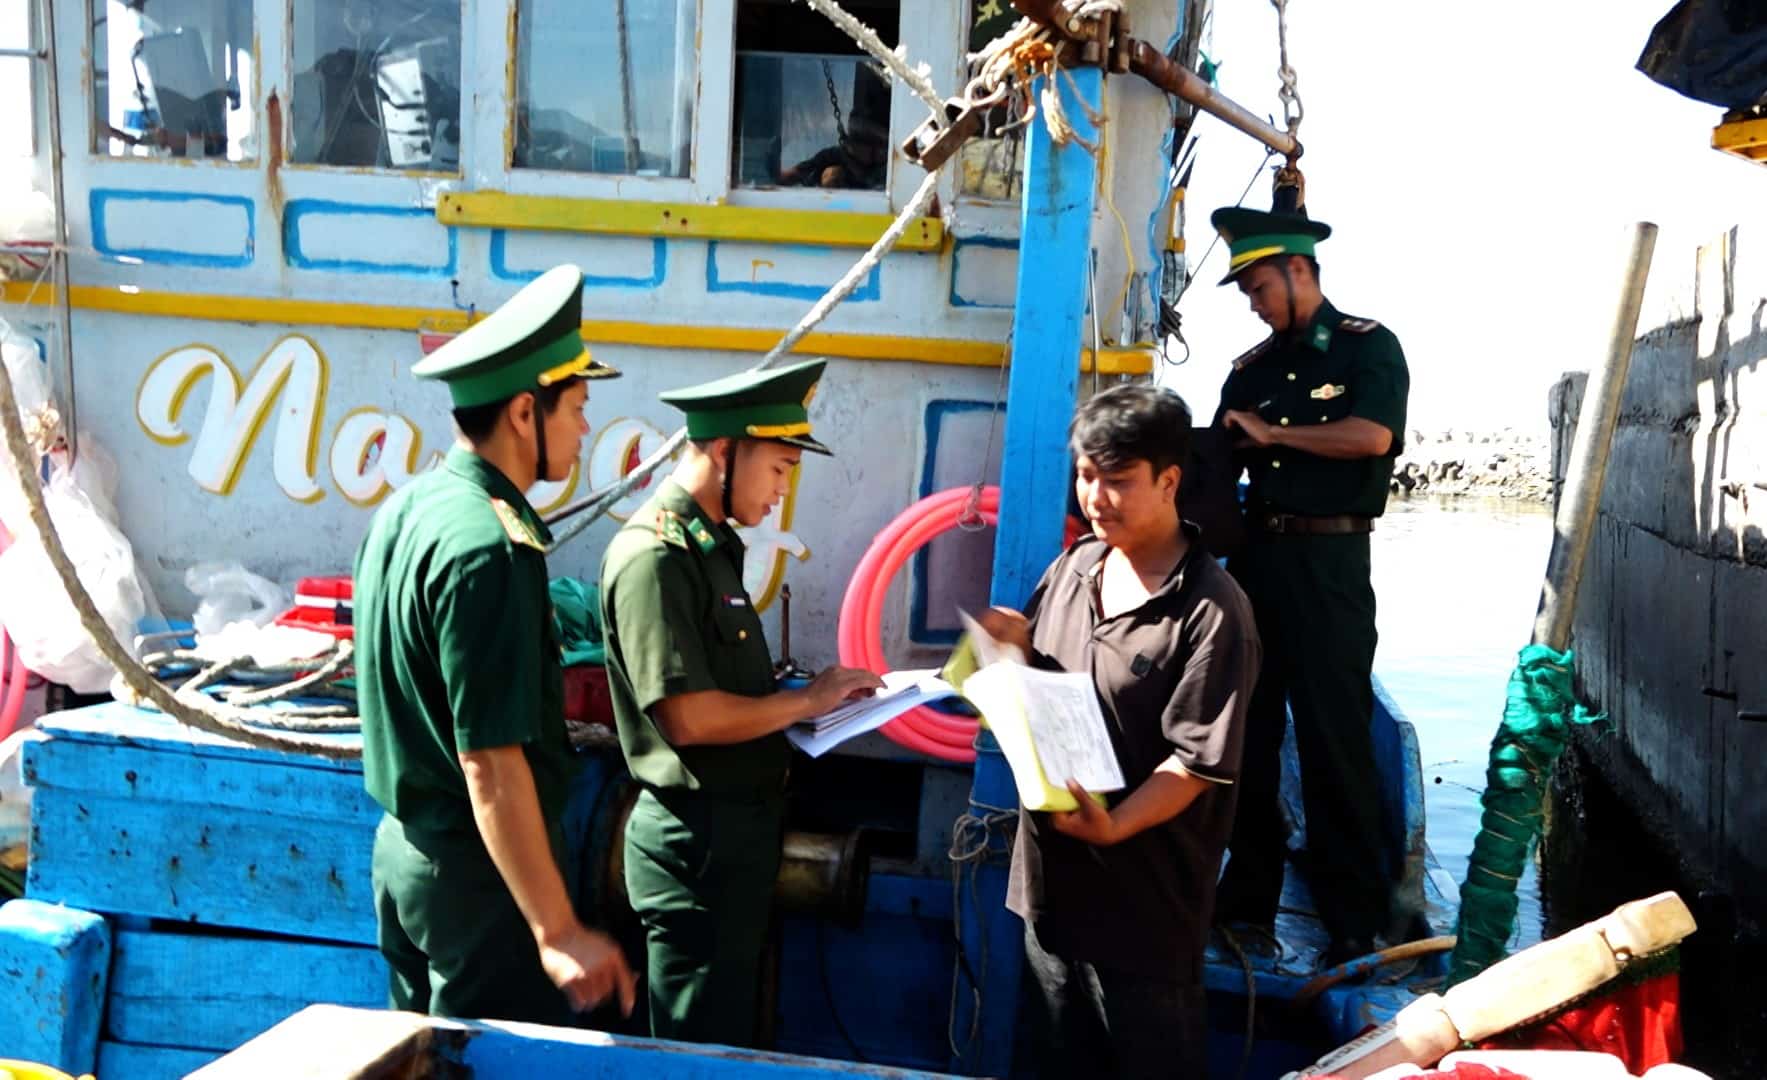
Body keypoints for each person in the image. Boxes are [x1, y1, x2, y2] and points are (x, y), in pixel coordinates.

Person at [356, 264, 637, 1025]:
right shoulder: (493, 547)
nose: (585, 429)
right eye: (576, 408)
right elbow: (490, 760)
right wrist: (558, 931)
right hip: (479, 887)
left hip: (405, 857)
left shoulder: (409, 508)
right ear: (523, 412)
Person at [977, 384, 1261, 1079]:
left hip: (1143, 911)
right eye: (1085, 476)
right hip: (1052, 893)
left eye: (1117, 480)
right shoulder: (1074, 569)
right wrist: (1000, 654)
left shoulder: (1210, 611)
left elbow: (1196, 764)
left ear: (1168, 480)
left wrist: (1115, 824)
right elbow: (1037, 687)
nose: (1095, 497)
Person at [599, 358, 884, 1047]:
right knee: (692, 1052)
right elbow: (688, 718)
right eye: (779, 468)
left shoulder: (712, 550)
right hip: (694, 849)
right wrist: (804, 701)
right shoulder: (656, 557)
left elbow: (730, 693)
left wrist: (813, 700)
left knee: (726, 1041)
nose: (783, 490)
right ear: (725, 451)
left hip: (733, 844)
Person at [1206, 206, 1414, 965]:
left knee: (1335, 738)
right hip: (1257, 564)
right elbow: (1216, 464)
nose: (1253, 302)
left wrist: (1277, 435)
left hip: (1330, 570)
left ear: (1299, 271)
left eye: (1258, 286)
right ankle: (1246, 899)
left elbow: (1371, 437)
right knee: (1248, 737)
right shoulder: (1248, 369)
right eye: (1246, 293)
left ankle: (1354, 914)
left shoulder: (1368, 348)